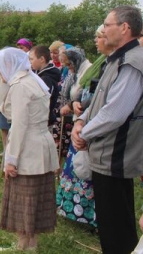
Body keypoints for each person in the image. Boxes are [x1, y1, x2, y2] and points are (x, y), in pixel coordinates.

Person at [72, 6, 143, 254]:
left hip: (116, 156)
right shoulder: (114, 59)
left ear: (124, 28)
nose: (103, 29)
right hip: (106, 154)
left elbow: (115, 113)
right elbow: (98, 101)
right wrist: (80, 122)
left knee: (117, 231)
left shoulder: (132, 62)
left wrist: (84, 133)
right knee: (110, 225)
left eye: (106, 24)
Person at [0, 48, 59, 252]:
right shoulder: (32, 80)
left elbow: (20, 125)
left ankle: (26, 243)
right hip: (41, 142)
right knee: (33, 196)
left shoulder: (21, 86)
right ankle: (28, 242)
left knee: (26, 197)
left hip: (29, 147)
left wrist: (11, 159)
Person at [56, 25, 112, 229]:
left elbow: (102, 97)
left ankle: (89, 215)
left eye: (99, 37)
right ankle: (72, 209)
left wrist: (77, 107)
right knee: (75, 167)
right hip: (82, 120)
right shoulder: (102, 62)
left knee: (87, 170)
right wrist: (74, 104)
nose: (96, 41)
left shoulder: (105, 64)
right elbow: (86, 92)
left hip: (95, 125)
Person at [56, 48, 91, 159]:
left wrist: (71, 105)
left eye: (69, 64)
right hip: (76, 119)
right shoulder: (77, 72)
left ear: (76, 60)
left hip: (84, 121)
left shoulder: (88, 71)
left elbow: (87, 96)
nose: (68, 67)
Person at [28, 45, 61, 130]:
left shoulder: (46, 78)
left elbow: (45, 101)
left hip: (43, 120)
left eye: (31, 59)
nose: (29, 62)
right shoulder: (39, 75)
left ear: (42, 59)